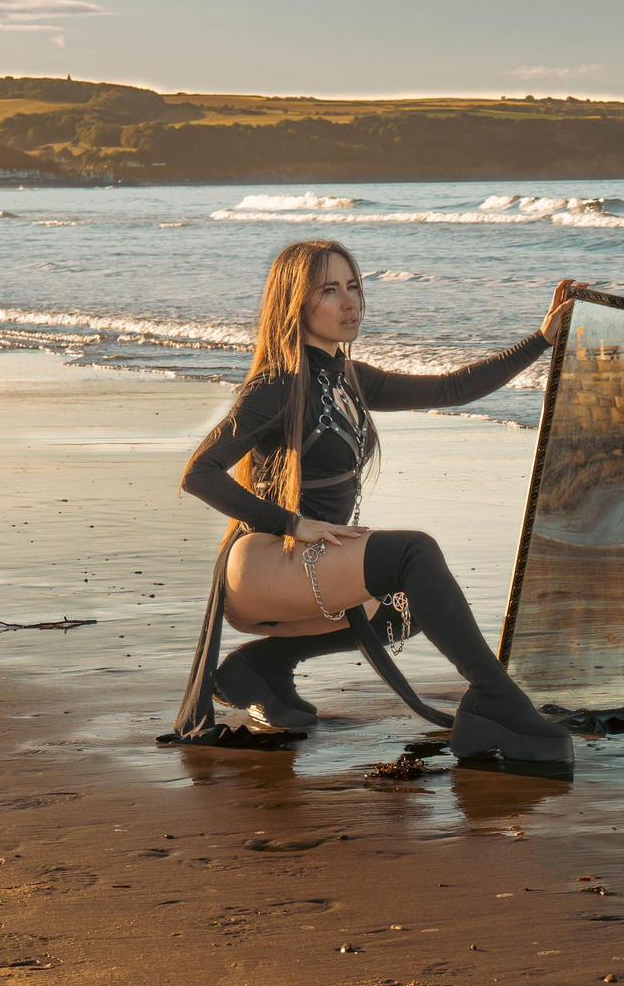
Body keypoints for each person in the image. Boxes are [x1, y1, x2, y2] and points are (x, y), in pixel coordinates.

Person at [178, 238, 577, 761]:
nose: (350, 303)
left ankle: (259, 667)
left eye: (354, 287)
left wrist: (541, 340)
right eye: (329, 290)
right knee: (414, 553)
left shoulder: (350, 378)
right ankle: (496, 698)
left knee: (414, 604)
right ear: (296, 303)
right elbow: (199, 474)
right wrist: (293, 524)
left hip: (312, 562)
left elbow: (450, 390)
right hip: (264, 561)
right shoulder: (276, 384)